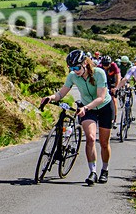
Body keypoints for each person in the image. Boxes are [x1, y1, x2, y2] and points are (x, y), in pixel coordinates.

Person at [41, 49, 113, 185]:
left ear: (85, 63)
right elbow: (61, 93)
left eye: (77, 67)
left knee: (104, 143)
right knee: (91, 138)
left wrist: (85, 107)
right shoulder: (73, 76)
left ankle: (105, 169)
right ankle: (92, 172)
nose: (75, 70)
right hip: (87, 109)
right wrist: (50, 98)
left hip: (104, 107)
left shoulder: (99, 73)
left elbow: (101, 98)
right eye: (72, 68)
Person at [100, 55, 121, 129]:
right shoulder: (99, 67)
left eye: (107, 65)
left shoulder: (113, 66)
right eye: (104, 65)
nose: (105, 67)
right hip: (104, 83)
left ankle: (114, 119)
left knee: (113, 100)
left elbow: (118, 76)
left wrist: (116, 87)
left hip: (112, 82)